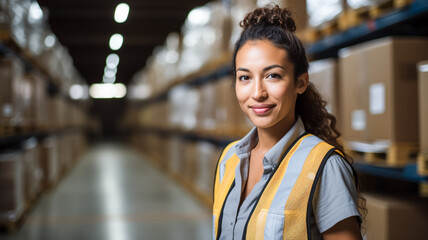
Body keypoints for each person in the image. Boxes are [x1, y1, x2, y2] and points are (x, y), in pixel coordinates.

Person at [212, 5, 364, 240]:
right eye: (245, 77)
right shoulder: (228, 160)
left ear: (301, 82)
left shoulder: (324, 166)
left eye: (272, 75)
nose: (258, 92)